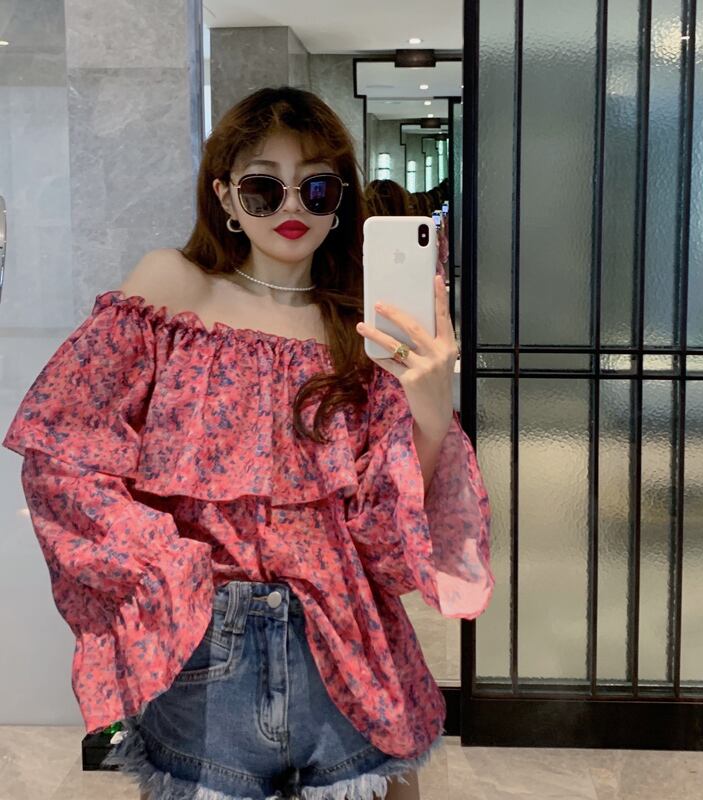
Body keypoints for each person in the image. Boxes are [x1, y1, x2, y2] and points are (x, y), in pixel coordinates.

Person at [2, 87, 494, 800]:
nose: (292, 207)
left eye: (317, 187)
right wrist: (165, 568)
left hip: (347, 642)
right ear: (226, 197)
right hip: (206, 649)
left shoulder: (361, 330)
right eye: (265, 187)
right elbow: (63, 450)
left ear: (340, 202)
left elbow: (387, 544)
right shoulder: (171, 292)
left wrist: (431, 414)